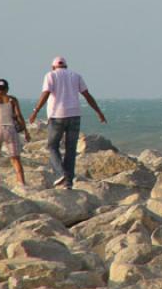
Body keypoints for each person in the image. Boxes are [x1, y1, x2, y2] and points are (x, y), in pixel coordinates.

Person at [29, 56, 107, 189]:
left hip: (57, 116)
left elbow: (46, 93)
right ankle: (68, 182)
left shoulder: (50, 75)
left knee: (52, 146)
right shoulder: (76, 76)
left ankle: (61, 173)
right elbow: (87, 95)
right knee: (71, 149)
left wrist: (36, 110)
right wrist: (99, 112)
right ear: (66, 66)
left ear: (53, 67)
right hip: (75, 115)